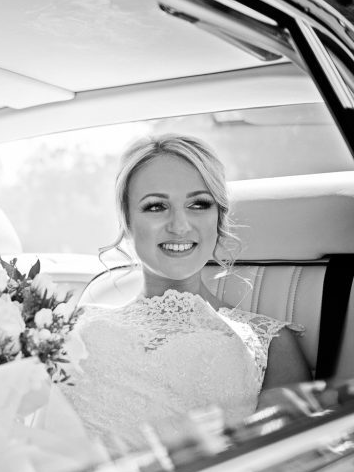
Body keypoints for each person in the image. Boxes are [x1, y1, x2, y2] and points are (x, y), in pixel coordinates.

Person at [62, 134, 312, 451]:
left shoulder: (272, 345)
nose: (179, 226)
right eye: (156, 206)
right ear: (127, 221)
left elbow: (283, 469)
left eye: (198, 204)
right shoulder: (76, 327)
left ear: (219, 217)